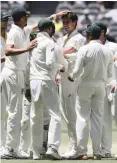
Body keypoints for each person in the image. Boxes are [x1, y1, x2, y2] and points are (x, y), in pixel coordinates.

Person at [68, 24, 113, 160]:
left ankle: (82, 152)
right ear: (100, 34)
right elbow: (110, 74)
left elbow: (76, 71)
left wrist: (71, 76)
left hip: (86, 84)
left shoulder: (84, 49)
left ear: (88, 35)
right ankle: (98, 151)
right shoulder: (107, 51)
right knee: (98, 118)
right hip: (100, 86)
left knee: (82, 117)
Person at [1, 7, 38, 159]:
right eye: (26, 16)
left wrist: (55, 16)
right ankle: (9, 149)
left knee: (16, 112)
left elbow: (36, 26)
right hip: (13, 73)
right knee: (14, 112)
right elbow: (8, 51)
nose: (28, 18)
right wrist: (26, 48)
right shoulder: (14, 32)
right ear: (21, 18)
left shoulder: (22, 29)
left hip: (16, 73)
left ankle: (12, 148)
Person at [29, 18, 68, 160]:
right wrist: (61, 67)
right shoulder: (49, 42)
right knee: (55, 115)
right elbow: (50, 62)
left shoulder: (33, 43)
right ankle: (53, 147)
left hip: (34, 81)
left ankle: (36, 151)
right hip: (45, 80)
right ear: (50, 29)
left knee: (35, 116)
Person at [57, 12, 85, 159]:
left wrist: (53, 53)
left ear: (75, 23)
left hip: (72, 80)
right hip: (63, 79)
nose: (65, 24)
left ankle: (77, 148)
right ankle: (72, 146)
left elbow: (63, 53)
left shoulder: (79, 38)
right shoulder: (63, 39)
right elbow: (61, 57)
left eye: (68, 22)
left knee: (72, 114)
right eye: (64, 22)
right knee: (67, 114)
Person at [95, 22, 117, 158]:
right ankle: (106, 149)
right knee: (104, 119)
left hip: (114, 85)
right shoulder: (92, 47)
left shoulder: (114, 46)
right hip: (100, 86)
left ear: (103, 32)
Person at [0, 11, 10, 157]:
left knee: (6, 112)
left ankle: (5, 144)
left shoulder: (7, 36)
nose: (5, 22)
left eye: (6, 20)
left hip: (6, 76)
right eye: (3, 20)